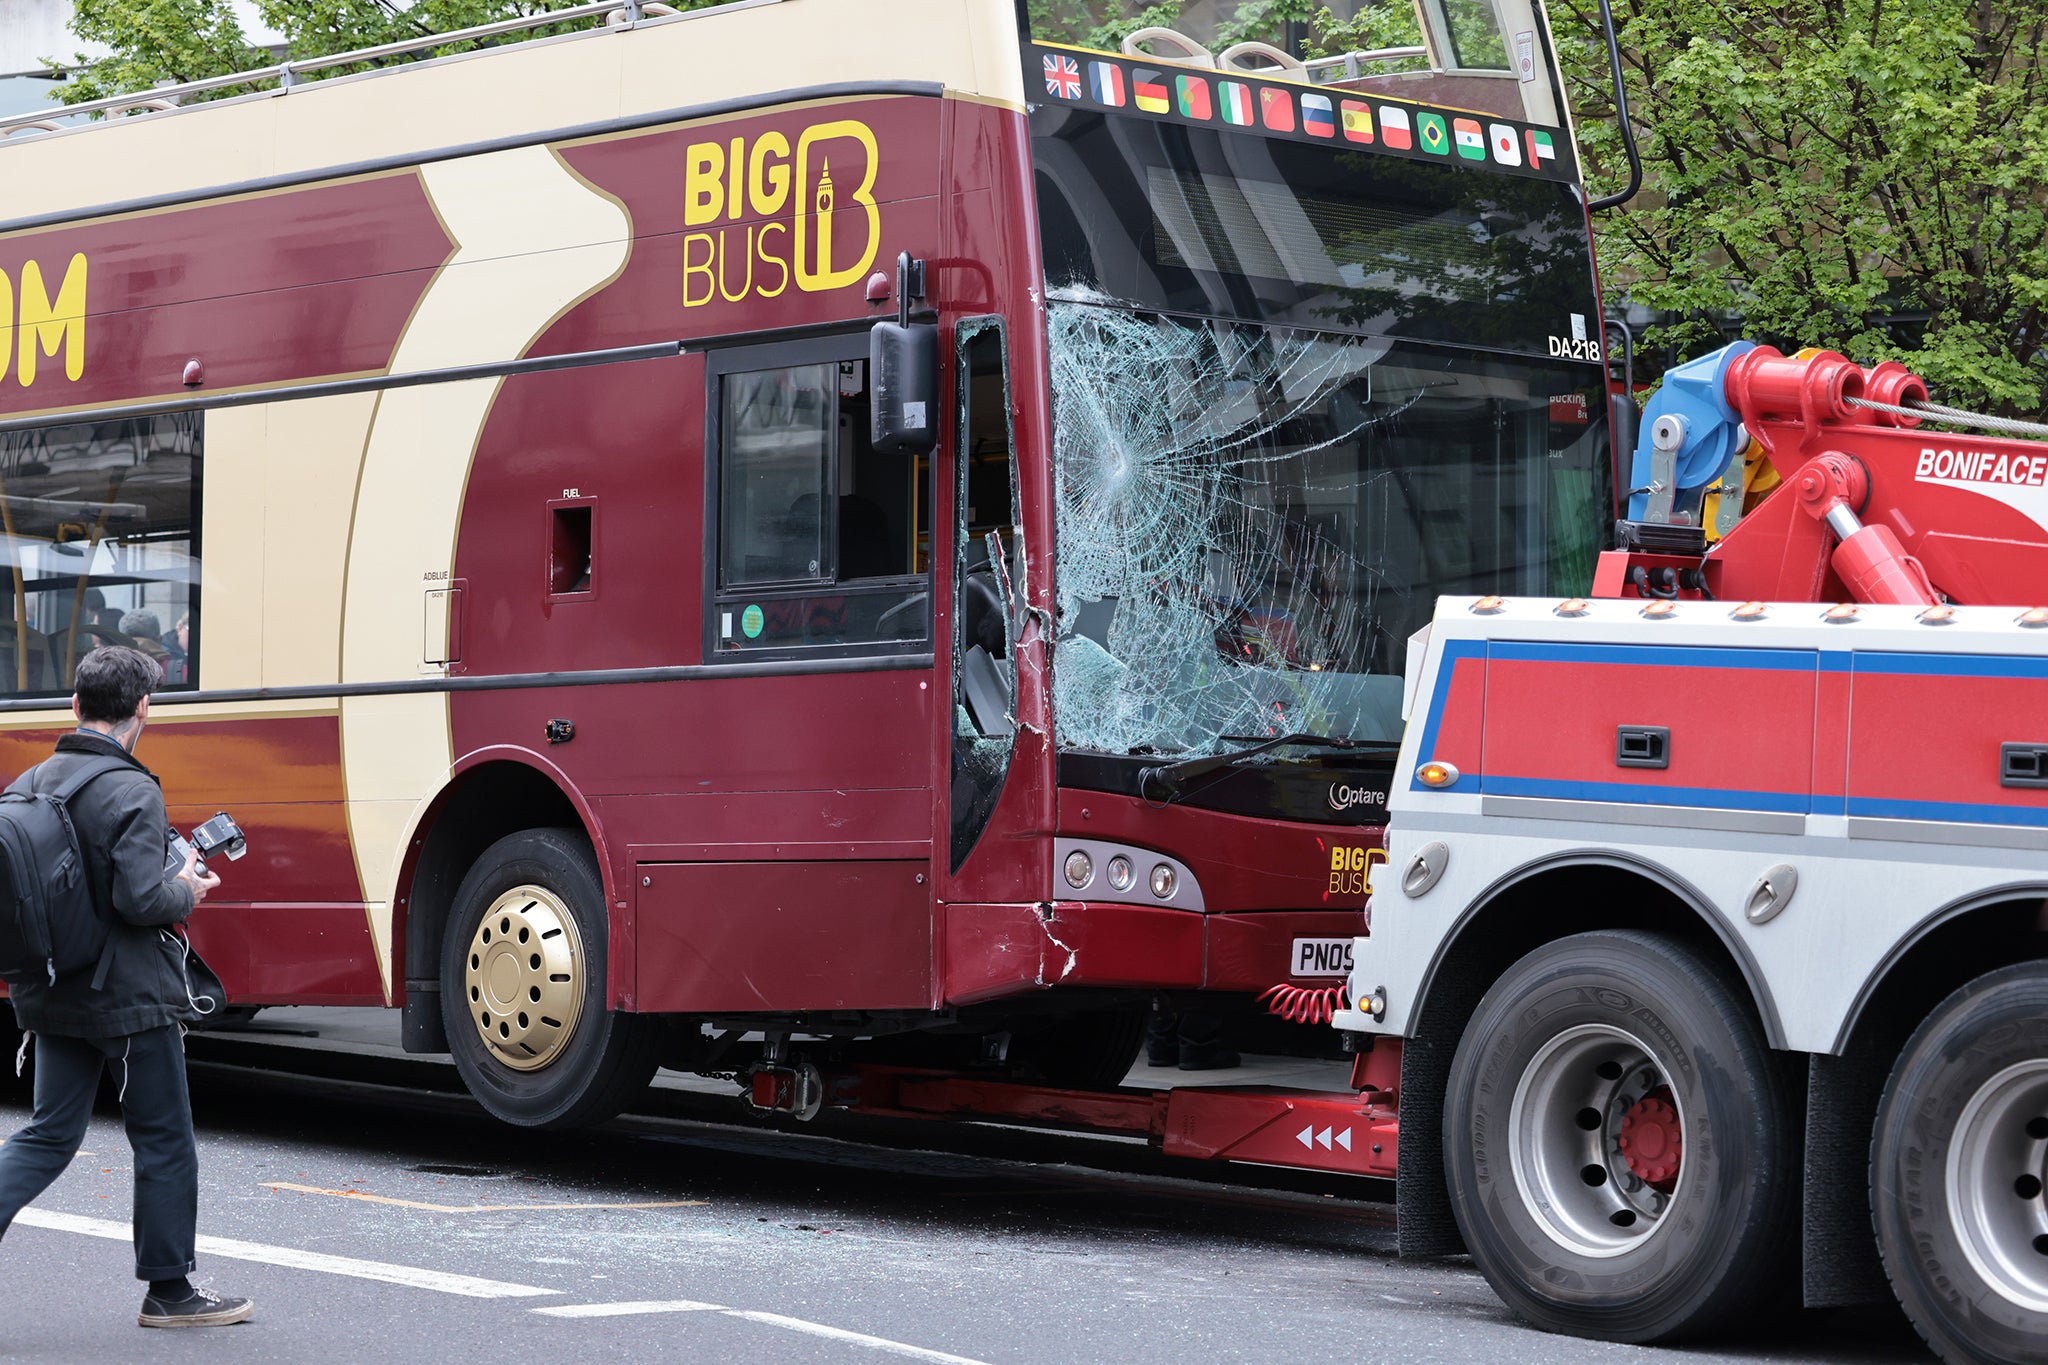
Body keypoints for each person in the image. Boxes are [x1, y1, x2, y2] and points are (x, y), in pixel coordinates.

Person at [0, 646, 252, 1328]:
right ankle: (170, 1293)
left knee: (50, 1132)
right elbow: (143, 898)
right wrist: (189, 886)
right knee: (164, 1136)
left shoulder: (31, 781)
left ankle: (170, 1289)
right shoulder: (132, 787)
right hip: (130, 999)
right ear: (142, 709)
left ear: (76, 706)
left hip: (52, 989)